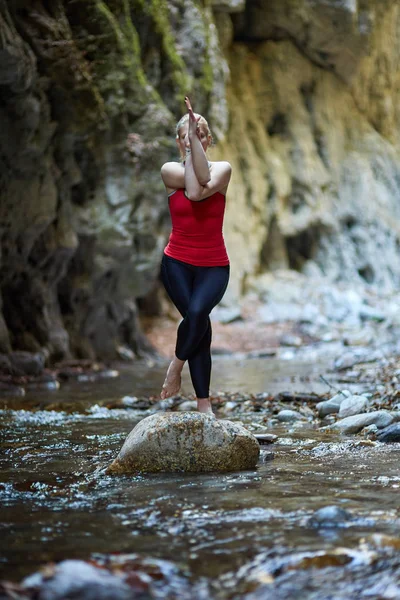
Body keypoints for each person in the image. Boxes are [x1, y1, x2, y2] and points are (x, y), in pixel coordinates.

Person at [159, 96, 232, 415]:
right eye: (190, 133)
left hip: (214, 265)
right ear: (179, 140)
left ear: (208, 139)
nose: (196, 137)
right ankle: (204, 403)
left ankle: (175, 367)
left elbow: (199, 189)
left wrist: (194, 147)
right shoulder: (169, 170)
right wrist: (190, 148)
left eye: (200, 133)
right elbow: (191, 188)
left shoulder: (224, 169)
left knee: (199, 314)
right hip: (176, 263)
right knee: (198, 322)